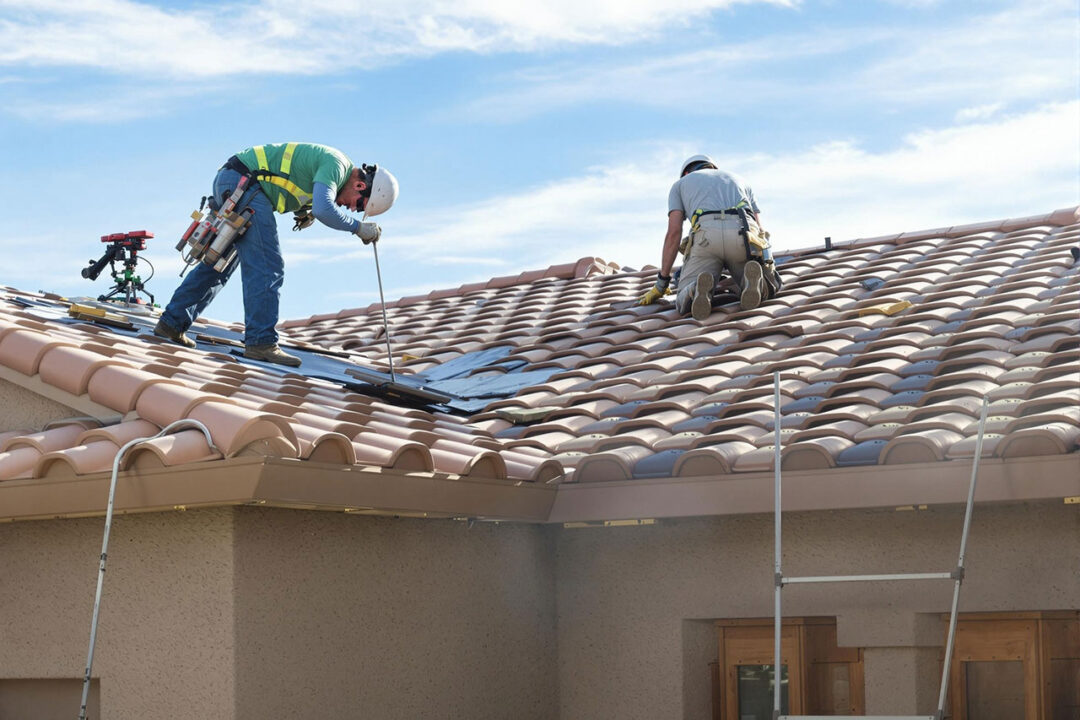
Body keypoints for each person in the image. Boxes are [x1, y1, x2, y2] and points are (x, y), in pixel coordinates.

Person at [154, 142, 398, 366]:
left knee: (220, 261)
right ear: (360, 185)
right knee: (268, 264)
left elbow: (296, 185)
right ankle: (261, 342)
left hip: (234, 180)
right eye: (359, 205)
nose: (351, 209)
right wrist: (357, 228)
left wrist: (304, 210)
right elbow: (325, 208)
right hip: (245, 184)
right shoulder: (337, 165)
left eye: (357, 212)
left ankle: (172, 323)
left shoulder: (333, 169)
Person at [637, 154, 776, 320]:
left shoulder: (680, 185)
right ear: (713, 168)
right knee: (771, 285)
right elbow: (760, 230)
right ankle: (756, 283)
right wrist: (767, 265)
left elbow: (674, 233)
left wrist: (662, 283)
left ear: (686, 173)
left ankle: (695, 289)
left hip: (706, 238)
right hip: (743, 235)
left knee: (682, 299)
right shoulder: (740, 179)